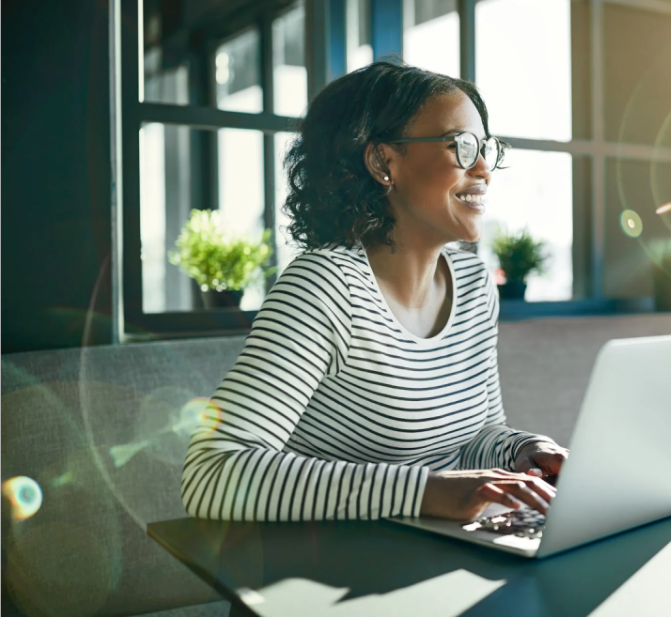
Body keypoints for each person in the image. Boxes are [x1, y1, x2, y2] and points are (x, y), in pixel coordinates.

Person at [181, 60, 567, 523]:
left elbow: (475, 434)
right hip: (323, 572)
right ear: (384, 162)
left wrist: (523, 451)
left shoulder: (473, 284)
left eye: (486, 148)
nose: (484, 169)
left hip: (435, 557)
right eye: (462, 147)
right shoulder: (323, 288)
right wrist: (425, 492)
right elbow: (212, 471)